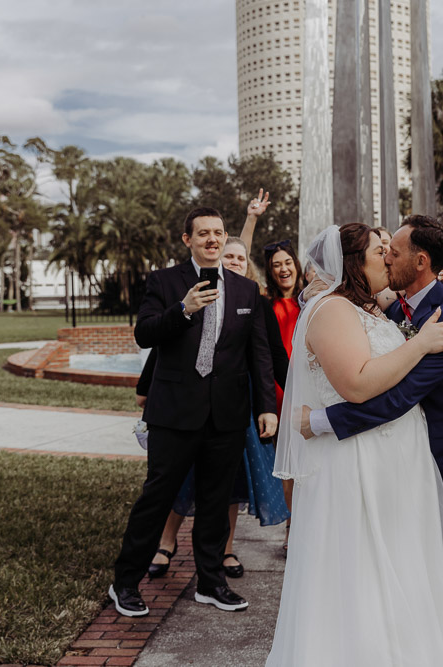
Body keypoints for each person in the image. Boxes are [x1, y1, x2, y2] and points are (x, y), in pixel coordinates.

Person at [266, 223, 443, 665]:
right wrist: (418, 340)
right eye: (380, 250)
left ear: (420, 260)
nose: (388, 256)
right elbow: (362, 380)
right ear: (355, 263)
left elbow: (401, 395)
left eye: (393, 250)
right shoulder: (367, 308)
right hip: (373, 460)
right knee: (380, 567)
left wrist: (321, 419)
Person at [109, 206, 277, 618]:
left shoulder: (244, 290)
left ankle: (211, 583)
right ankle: (125, 583)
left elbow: (259, 355)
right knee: (157, 498)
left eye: (218, 233)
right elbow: (144, 333)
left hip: (226, 415)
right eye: (203, 234)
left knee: (216, 503)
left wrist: (267, 407)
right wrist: (182, 310)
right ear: (188, 240)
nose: (212, 240)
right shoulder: (164, 281)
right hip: (174, 414)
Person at [138, 232, 290, 581]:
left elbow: (269, 356)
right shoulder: (198, 294)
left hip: (237, 403)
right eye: (229, 257)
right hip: (190, 400)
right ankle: (166, 540)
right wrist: (145, 387)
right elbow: (164, 348)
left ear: (247, 267)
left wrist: (285, 396)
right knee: (182, 475)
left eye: (240, 258)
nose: (234, 261)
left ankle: (225, 548)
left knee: (230, 480)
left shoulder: (255, 300)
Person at [263, 238, 304, 551]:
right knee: (287, 466)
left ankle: (312, 523)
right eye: (276, 265)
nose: (283, 269)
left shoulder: (311, 299)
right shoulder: (265, 304)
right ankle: (294, 527)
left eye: (287, 262)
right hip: (278, 394)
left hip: (308, 390)